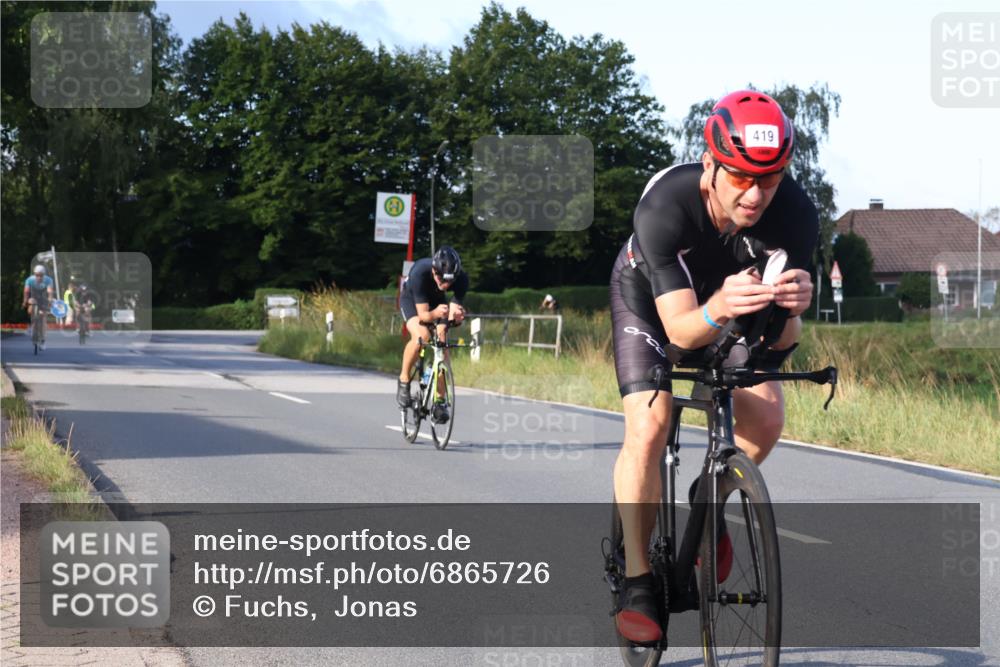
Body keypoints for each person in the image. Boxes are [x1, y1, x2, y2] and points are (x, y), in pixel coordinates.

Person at [609, 90, 817, 643]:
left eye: (769, 178)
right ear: (710, 164)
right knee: (649, 425)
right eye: (741, 177)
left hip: (735, 304)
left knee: (767, 417)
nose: (754, 194)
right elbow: (679, 332)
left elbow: (781, 343)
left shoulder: (795, 214)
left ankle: (711, 495)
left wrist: (795, 310)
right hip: (653, 304)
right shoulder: (665, 206)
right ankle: (638, 582)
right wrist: (721, 304)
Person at [397, 246, 468, 423]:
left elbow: (453, 310)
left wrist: (457, 317)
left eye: (449, 282)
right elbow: (424, 316)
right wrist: (436, 314)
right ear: (434, 271)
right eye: (442, 280)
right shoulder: (420, 273)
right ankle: (404, 379)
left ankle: (440, 401)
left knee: (443, 345)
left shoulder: (462, 279)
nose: (445, 285)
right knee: (422, 336)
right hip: (412, 301)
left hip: (437, 302)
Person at [22, 265, 55, 349]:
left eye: (41, 275)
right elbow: (26, 292)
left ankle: (43, 340)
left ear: (44, 275)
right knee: (31, 308)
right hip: (33, 296)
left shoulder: (48, 280)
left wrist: (50, 300)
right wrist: (25, 301)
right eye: (37, 275)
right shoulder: (29, 280)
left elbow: (50, 292)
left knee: (43, 318)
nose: (39, 277)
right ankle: (32, 324)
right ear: (34, 274)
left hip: (43, 297)